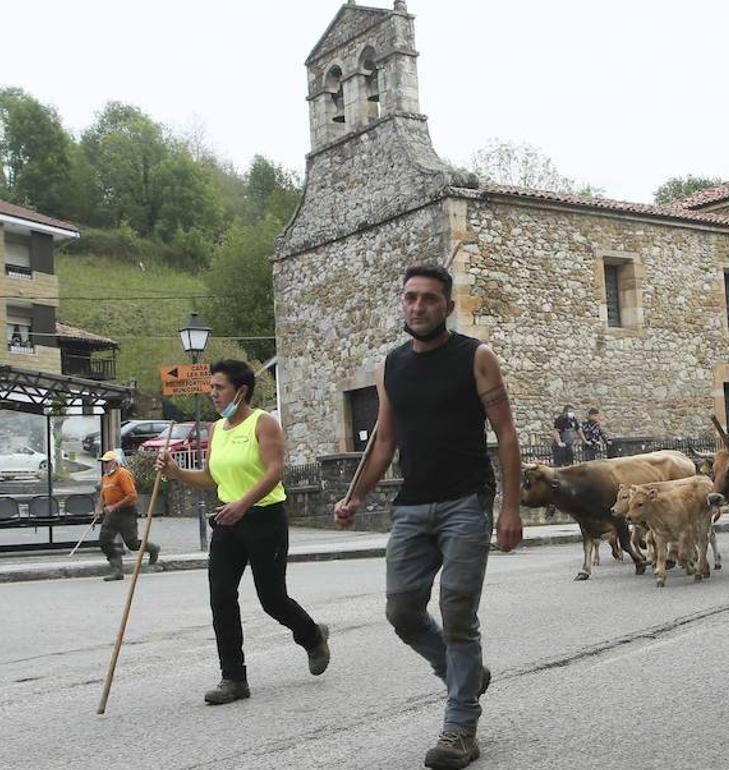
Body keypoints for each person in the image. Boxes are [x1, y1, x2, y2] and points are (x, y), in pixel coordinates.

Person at [334, 264, 523, 770]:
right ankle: (466, 674)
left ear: (448, 306)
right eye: (410, 298)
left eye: (429, 299)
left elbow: (506, 433)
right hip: (412, 506)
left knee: (458, 613)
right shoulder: (390, 366)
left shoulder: (475, 357)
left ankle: (460, 727)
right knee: (402, 612)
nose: (418, 307)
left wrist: (510, 506)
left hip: (466, 501)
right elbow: (384, 443)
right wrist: (356, 496)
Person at [157, 359, 329, 705]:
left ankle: (311, 636)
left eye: (219, 388)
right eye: (211, 388)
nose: (213, 394)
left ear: (241, 391)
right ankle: (233, 678)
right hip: (227, 521)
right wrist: (176, 472)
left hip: (264, 518)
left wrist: (243, 504)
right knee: (221, 597)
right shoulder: (217, 429)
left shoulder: (263, 423)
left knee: (272, 599)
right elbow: (211, 477)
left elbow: (275, 471)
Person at [97, 449, 159, 581]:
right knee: (104, 541)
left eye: (107, 462)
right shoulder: (105, 477)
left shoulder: (123, 474)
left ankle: (153, 549)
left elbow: (132, 496)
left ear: (114, 463)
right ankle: (117, 570)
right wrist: (98, 508)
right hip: (112, 515)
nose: (105, 465)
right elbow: (103, 495)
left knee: (132, 543)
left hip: (126, 513)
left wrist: (114, 506)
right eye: (104, 462)